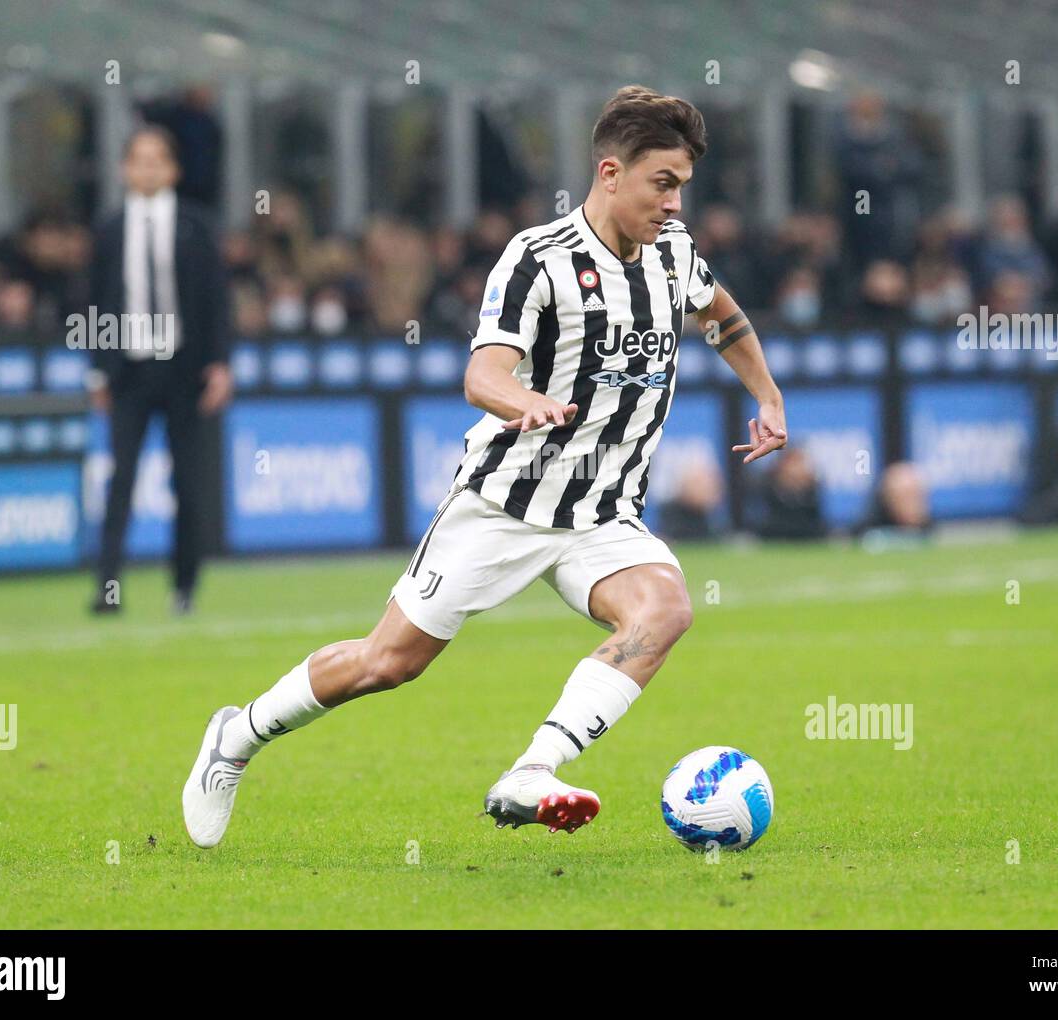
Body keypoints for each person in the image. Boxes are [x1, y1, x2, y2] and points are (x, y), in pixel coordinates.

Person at [182, 85, 789, 848]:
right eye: (661, 184)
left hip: (599, 513)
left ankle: (533, 770)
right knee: (387, 663)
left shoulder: (674, 254)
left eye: (682, 188)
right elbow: (483, 375)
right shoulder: (538, 259)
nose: (674, 204)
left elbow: (722, 315)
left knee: (665, 609)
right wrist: (521, 401)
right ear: (609, 173)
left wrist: (765, 393)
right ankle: (236, 738)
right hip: (503, 502)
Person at [88, 126, 232, 615]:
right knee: (120, 480)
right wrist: (98, 371)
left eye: (156, 160)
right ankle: (106, 588)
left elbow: (216, 299)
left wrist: (220, 365)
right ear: (125, 168)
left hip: (182, 370)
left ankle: (184, 588)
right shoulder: (109, 228)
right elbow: (96, 300)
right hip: (128, 370)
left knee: (187, 484)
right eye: (138, 160)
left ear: (173, 169)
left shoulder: (197, 225)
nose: (146, 169)